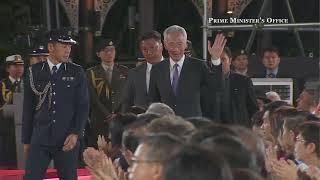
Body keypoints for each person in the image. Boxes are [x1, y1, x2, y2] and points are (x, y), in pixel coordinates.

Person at [22, 30, 89, 179]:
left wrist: (76, 133)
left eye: (69, 46)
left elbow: (83, 106)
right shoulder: (34, 71)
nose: (68, 50)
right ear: (51, 47)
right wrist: (26, 141)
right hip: (40, 138)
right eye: (63, 46)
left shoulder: (76, 72)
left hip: (67, 139)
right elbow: (28, 109)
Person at [148, 25, 225, 117]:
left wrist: (215, 59)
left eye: (179, 44)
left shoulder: (198, 66)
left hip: (193, 124)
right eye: (171, 44)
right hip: (166, 124)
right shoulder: (157, 69)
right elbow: (153, 101)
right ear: (165, 45)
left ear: (186, 44)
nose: (175, 48)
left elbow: (217, 87)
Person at [87, 38, 128, 147]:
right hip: (100, 121)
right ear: (98, 54)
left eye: (112, 50)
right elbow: (93, 98)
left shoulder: (125, 71)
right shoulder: (91, 73)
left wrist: (119, 115)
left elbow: (127, 96)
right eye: (105, 50)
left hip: (121, 120)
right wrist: (108, 115)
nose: (109, 53)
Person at [202, 47, 259, 127]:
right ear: (210, 62)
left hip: (239, 131)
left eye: (223, 59)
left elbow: (253, 109)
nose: (220, 63)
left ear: (230, 61)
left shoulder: (244, 81)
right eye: (216, 60)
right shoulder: (204, 82)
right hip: (213, 131)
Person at [121, 31, 163, 112]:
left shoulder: (173, 69)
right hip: (141, 122)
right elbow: (127, 102)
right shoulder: (134, 73)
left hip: (167, 121)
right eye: (144, 49)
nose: (149, 52)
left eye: (152, 47)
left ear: (161, 46)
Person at [0, 54, 24, 168]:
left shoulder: (28, 84)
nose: (19, 68)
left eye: (21, 65)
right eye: (15, 66)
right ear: (7, 68)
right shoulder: (2, 85)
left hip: (24, 132)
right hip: (6, 131)